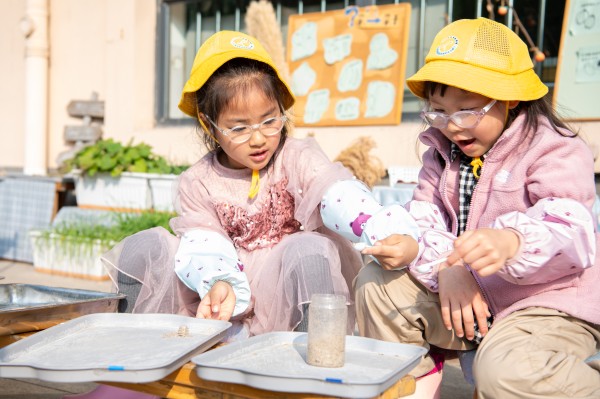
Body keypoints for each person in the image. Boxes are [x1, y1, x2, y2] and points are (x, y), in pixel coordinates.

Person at [352, 18, 600, 399]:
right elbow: (424, 218)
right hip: (470, 298)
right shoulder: (442, 155)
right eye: (437, 112)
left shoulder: (554, 150)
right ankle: (414, 385)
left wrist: (512, 243)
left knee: (505, 373)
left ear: (511, 97)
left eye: (466, 111)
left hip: (546, 303)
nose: (452, 127)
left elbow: (573, 231)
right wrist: (436, 261)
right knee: (376, 285)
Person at [100, 30, 364, 339]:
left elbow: (334, 191)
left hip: (284, 293)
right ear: (208, 123)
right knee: (143, 246)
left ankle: (315, 360)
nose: (257, 138)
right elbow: (205, 241)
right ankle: (126, 358)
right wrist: (219, 282)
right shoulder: (199, 181)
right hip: (219, 290)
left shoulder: (297, 158)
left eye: (269, 121)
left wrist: (377, 224)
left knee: (310, 246)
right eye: (238, 127)